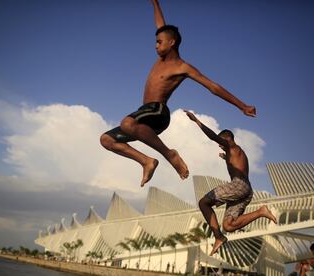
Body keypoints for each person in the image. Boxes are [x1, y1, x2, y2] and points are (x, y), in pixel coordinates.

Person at [100, 0, 256, 187]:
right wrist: (155, 3)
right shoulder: (160, 59)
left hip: (158, 112)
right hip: (145, 119)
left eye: (159, 42)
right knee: (107, 140)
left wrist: (242, 106)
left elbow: (212, 87)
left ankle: (169, 154)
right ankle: (146, 161)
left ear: (172, 42)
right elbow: (161, 25)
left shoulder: (182, 67)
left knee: (127, 123)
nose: (155, 46)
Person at [184, 110, 276, 255]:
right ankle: (260, 212)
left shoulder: (231, 146)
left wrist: (196, 120)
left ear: (227, 139)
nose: (221, 146)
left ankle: (218, 237)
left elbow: (213, 136)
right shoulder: (236, 152)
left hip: (238, 185)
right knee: (228, 225)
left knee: (203, 202)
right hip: (246, 191)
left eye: (222, 144)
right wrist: (225, 158)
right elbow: (238, 165)